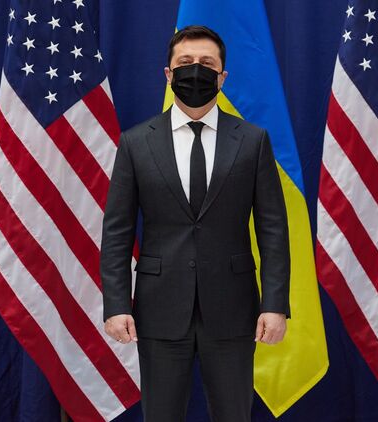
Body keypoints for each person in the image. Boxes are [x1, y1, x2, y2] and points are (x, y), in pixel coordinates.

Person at [100, 25, 290, 422]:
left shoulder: (252, 140)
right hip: (159, 307)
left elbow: (272, 230)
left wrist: (275, 305)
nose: (195, 70)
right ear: (168, 74)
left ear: (222, 77)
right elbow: (117, 232)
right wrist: (116, 305)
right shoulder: (136, 142)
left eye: (206, 63)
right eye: (185, 62)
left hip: (233, 307)